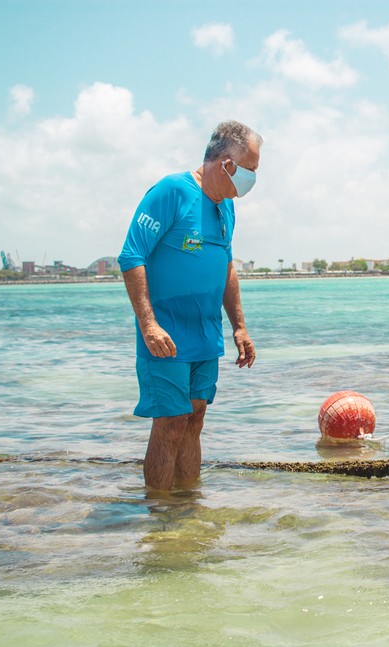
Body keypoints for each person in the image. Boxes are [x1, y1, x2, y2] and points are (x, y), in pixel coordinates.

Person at [118, 120, 262, 491]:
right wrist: (148, 324)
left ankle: (187, 509)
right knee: (170, 422)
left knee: (195, 417)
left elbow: (227, 267)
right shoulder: (171, 191)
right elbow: (131, 255)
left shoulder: (225, 208)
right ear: (226, 164)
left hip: (205, 333)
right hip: (165, 333)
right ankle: (159, 512)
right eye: (251, 170)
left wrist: (239, 326)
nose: (252, 180)